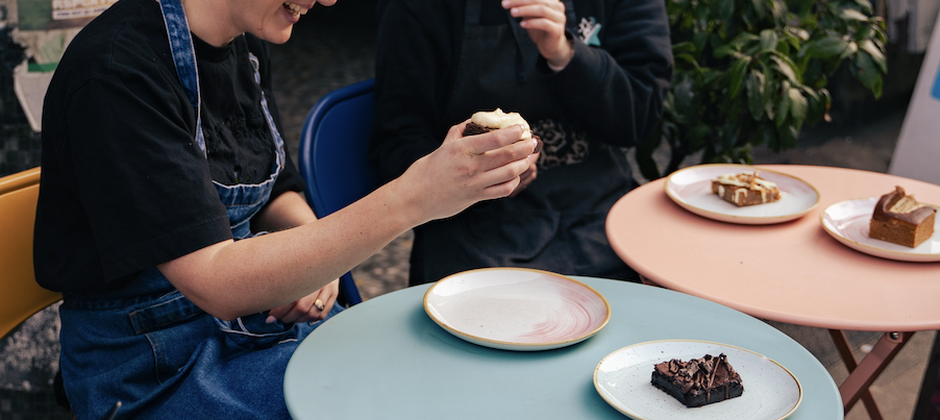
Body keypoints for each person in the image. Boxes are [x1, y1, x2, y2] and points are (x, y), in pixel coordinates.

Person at [32, 0, 537, 417]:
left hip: (255, 320)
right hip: (153, 366)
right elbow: (216, 282)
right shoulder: (118, 72)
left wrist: (315, 259)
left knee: (434, 374)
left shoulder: (246, 42)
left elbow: (274, 188)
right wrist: (415, 196)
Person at [369, 0, 673, 285]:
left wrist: (566, 54)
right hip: (473, 233)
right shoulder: (417, 7)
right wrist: (472, 177)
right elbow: (396, 142)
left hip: (601, 215)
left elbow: (640, 118)